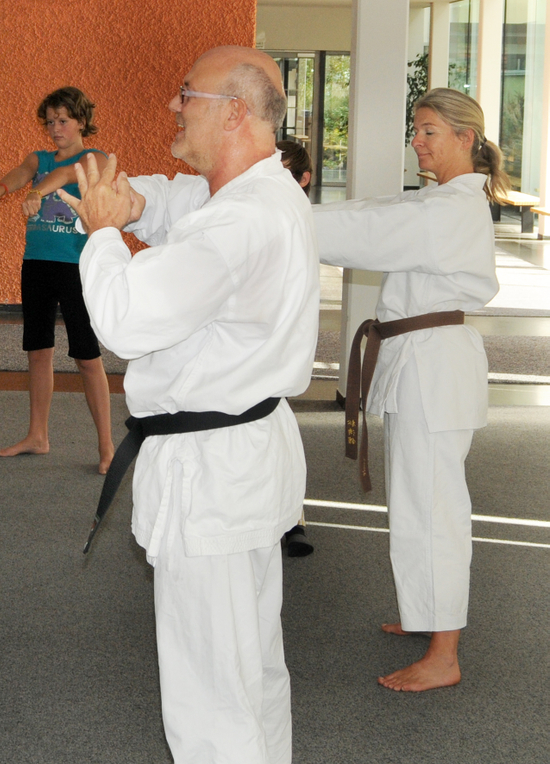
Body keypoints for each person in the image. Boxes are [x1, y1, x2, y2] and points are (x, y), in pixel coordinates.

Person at [60, 47, 318, 763]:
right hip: (242, 459)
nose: (173, 106)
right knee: (250, 670)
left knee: (212, 699)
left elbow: (126, 319)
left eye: (185, 94)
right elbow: (184, 201)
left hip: (213, 476)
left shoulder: (239, 223)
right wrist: (136, 205)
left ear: (234, 111)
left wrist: (103, 233)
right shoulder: (258, 194)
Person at [313, 88, 506, 692]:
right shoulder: (439, 201)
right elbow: (374, 211)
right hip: (422, 363)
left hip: (434, 367)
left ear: (465, 138)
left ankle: (444, 653)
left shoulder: (450, 209)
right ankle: (428, 615)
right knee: (415, 501)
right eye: (415, 130)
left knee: (435, 507)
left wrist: (276, 221)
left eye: (428, 131)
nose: (416, 141)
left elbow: (367, 228)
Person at [0, 87, 114, 474]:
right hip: (37, 263)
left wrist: (37, 191)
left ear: (82, 121)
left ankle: (106, 446)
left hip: (75, 267)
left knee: (86, 358)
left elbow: (66, 174)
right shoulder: (39, 159)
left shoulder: (96, 158)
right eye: (50, 122)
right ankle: (37, 435)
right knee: (38, 351)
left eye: (63, 121)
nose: (55, 128)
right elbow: (23, 172)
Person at [278, 138, 315, 558]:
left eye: (285, 174)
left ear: (304, 180)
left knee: (279, 422)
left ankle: (294, 517)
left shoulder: (303, 219)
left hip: (285, 339)